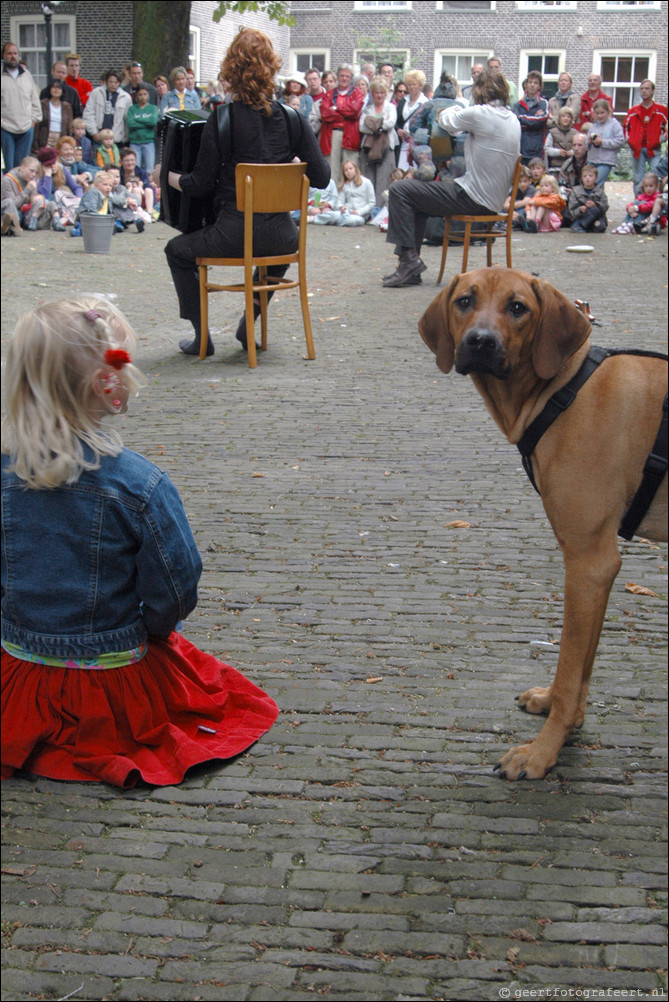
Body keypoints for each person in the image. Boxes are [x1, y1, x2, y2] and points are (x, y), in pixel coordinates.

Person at [1, 297, 279, 788]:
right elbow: (176, 585)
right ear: (104, 386)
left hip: (19, 666)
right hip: (111, 681)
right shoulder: (139, 484)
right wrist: (153, 630)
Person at [164, 27, 330, 356]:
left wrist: (166, 176)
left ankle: (202, 338)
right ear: (272, 69)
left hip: (233, 234)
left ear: (231, 71)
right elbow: (322, 177)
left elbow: (199, 186)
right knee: (280, 246)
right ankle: (248, 321)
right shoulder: (293, 118)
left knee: (176, 250)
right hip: (283, 236)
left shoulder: (223, 118)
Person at [382, 69, 520, 288]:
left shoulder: (481, 114)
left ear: (479, 92)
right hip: (492, 200)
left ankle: (409, 261)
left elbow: (447, 122)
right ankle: (409, 266)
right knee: (417, 199)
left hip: (472, 197)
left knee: (400, 189)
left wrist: (453, 104)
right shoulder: (512, 118)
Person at [310, 64, 363, 182]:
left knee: (351, 169)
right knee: (332, 170)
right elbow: (325, 114)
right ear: (338, 77)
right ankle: (333, 197)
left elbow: (355, 111)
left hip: (350, 135)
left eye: (347, 76)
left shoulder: (357, 93)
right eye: (342, 75)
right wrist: (345, 111)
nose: (344, 78)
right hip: (331, 135)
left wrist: (336, 109)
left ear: (351, 78)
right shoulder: (328, 94)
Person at [1, 42, 41, 171]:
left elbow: (35, 101)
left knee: (22, 169)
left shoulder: (26, 75)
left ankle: (21, 191)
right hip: (5, 129)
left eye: (15, 53)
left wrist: (33, 122)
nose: (13, 56)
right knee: (7, 168)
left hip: (26, 129)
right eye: (9, 53)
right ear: (3, 55)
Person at [623, 80, 668, 195]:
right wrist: (630, 141)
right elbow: (626, 127)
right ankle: (638, 201)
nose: (644, 91)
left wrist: (661, 139)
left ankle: (654, 202)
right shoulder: (633, 111)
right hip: (638, 149)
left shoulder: (661, 110)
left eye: (647, 88)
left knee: (656, 175)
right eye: (642, 88)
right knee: (638, 178)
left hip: (654, 149)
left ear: (653, 91)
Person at [359, 77, 398, 207]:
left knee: (384, 179)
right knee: (369, 178)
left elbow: (391, 122)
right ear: (372, 93)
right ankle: (368, 209)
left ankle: (380, 209)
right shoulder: (367, 108)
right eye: (377, 92)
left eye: (382, 92)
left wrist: (374, 125)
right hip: (369, 148)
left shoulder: (391, 107)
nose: (379, 95)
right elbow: (361, 126)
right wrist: (380, 126)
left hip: (386, 147)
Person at [313, 159, 375, 226]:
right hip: (346, 212)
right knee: (332, 214)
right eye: (346, 170)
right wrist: (341, 207)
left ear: (355, 169)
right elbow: (339, 202)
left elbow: (372, 203)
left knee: (351, 221)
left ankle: (332, 221)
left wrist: (359, 212)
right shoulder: (344, 185)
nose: (349, 172)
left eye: (350, 168)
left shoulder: (367, 182)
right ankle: (313, 219)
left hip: (360, 215)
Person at [34, 145, 81, 227]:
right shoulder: (38, 173)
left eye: (54, 163)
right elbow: (45, 195)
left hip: (60, 202)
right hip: (46, 205)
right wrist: (47, 175)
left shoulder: (61, 168)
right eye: (48, 164)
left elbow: (76, 187)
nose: (52, 166)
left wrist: (79, 197)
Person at [84, 70, 132, 148]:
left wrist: (125, 138)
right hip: (99, 138)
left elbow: (127, 119)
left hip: (116, 140)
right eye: (111, 82)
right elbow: (88, 113)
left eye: (116, 82)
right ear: (106, 81)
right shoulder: (96, 93)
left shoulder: (126, 97)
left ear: (119, 82)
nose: (113, 85)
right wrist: (93, 132)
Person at [586, 98, 625, 185]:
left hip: (606, 160)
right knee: (590, 183)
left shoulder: (614, 125)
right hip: (592, 159)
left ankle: (592, 198)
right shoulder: (593, 127)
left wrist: (602, 142)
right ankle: (599, 198)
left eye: (602, 113)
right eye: (597, 113)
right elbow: (586, 145)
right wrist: (589, 142)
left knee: (595, 183)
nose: (600, 116)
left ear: (608, 111)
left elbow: (620, 141)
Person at [395, 69, 428, 170]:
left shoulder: (426, 103)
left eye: (415, 84)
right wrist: (398, 129)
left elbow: (426, 125)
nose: (412, 87)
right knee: (401, 169)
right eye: (409, 84)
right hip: (403, 142)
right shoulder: (402, 101)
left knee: (414, 170)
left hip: (416, 142)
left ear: (420, 86)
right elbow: (397, 120)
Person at [513, 71, 548, 164]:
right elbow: (515, 122)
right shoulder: (517, 105)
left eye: (535, 83)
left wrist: (522, 118)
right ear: (526, 84)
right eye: (530, 82)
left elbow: (541, 119)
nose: (532, 85)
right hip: (521, 149)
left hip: (537, 150)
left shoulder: (543, 103)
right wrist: (533, 120)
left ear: (539, 86)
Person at [1, 155, 39, 235]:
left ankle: (9, 227)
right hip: (8, 210)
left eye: (36, 172)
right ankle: (12, 226)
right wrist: (27, 190)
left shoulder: (32, 179)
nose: (34, 174)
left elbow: (32, 201)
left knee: (46, 204)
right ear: (22, 168)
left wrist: (35, 198)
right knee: (12, 207)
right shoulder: (8, 179)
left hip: (24, 211)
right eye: (31, 171)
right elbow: (13, 204)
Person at [566, 162, 609, 233]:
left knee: (600, 227)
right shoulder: (576, 191)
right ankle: (579, 224)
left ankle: (581, 225)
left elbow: (605, 206)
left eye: (591, 176)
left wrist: (595, 204)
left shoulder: (600, 191)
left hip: (596, 217)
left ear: (596, 178)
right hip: (581, 216)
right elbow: (572, 208)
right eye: (585, 176)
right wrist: (580, 209)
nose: (587, 178)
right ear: (581, 178)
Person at [126, 84, 159, 171]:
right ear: (136, 96)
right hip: (134, 142)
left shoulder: (153, 108)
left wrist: (137, 119)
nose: (143, 97)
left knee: (150, 169)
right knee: (135, 168)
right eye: (140, 94)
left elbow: (152, 122)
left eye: (145, 94)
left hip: (148, 142)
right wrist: (145, 122)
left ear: (148, 95)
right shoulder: (132, 109)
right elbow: (130, 123)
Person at [33, 79, 73, 151]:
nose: (56, 90)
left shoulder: (67, 106)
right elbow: (37, 125)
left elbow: (69, 126)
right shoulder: (43, 104)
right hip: (46, 137)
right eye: (54, 87)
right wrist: (35, 143)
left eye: (59, 88)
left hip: (61, 137)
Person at [544, 107, 578, 175]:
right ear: (559, 118)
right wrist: (558, 152)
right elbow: (546, 149)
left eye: (568, 117)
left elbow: (580, 148)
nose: (566, 118)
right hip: (555, 168)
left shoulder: (576, 133)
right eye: (563, 116)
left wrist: (572, 152)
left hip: (571, 167)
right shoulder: (552, 132)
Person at [558, 130, 588, 202]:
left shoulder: (592, 164)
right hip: (569, 197)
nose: (576, 149)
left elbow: (594, 189)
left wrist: (575, 192)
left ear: (587, 147)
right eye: (574, 145)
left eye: (580, 145)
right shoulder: (567, 164)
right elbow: (561, 181)